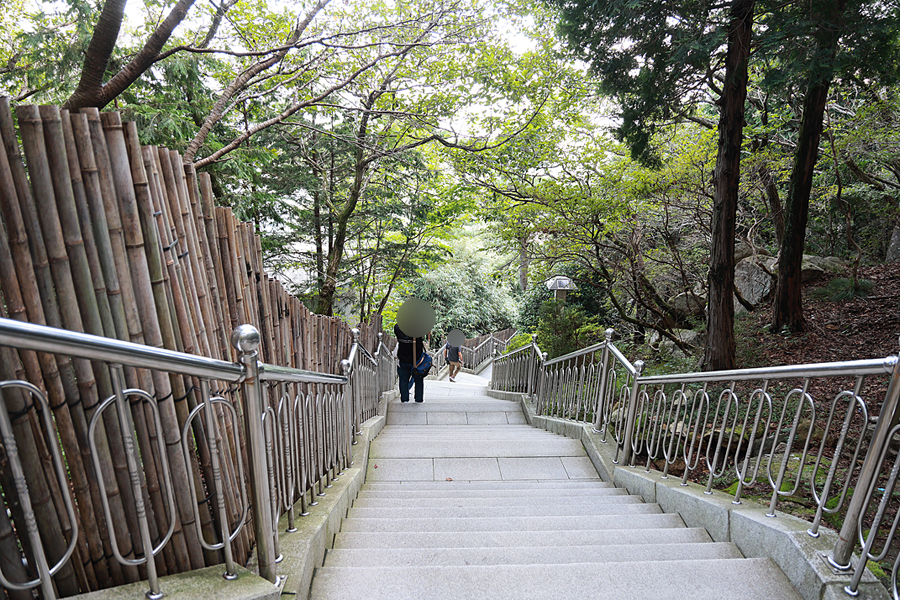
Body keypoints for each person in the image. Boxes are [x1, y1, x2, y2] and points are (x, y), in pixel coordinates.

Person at [394, 323, 425, 403]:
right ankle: (418, 399)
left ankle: (404, 399)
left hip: (403, 357)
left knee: (403, 379)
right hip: (417, 359)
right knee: (418, 379)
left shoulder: (398, 328)